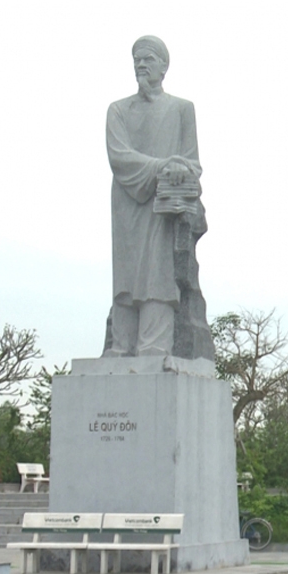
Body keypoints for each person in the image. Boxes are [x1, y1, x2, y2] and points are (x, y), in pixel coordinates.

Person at [103, 35, 202, 357]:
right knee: (126, 275)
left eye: (148, 59)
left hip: (163, 203)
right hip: (127, 200)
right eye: (137, 60)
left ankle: (154, 345)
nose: (141, 65)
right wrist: (162, 165)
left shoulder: (181, 109)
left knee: (158, 272)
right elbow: (119, 156)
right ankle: (121, 345)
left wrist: (179, 169)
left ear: (164, 66)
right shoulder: (118, 110)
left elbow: (193, 163)